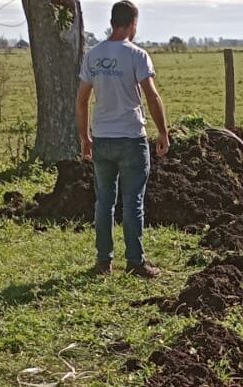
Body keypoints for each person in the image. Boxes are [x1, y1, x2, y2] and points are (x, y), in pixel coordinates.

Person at [75, 0, 170, 278]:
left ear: (112, 22)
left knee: (104, 202)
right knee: (133, 202)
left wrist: (85, 137)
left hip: (102, 138)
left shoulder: (94, 55)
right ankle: (135, 262)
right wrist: (163, 132)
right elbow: (152, 96)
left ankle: (103, 262)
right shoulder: (137, 56)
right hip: (131, 139)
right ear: (132, 24)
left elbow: (82, 101)